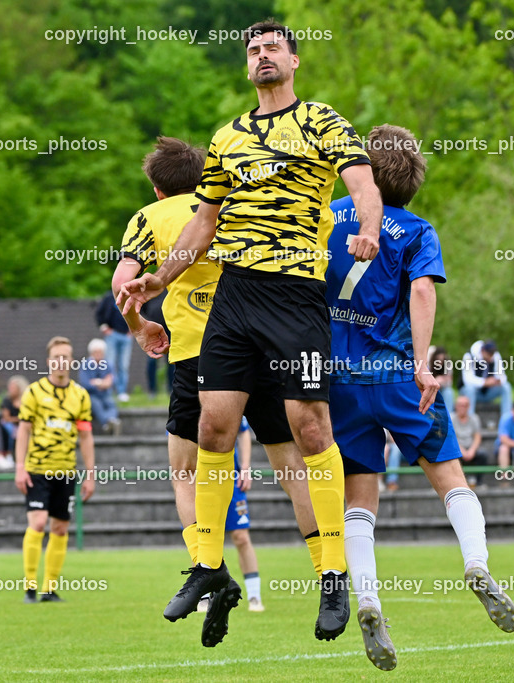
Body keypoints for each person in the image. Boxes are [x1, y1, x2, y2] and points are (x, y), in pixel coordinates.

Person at [122, 22, 383, 644]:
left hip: (294, 294)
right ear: (247, 67)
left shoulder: (322, 121)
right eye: (253, 50)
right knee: (212, 426)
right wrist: (158, 279)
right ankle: (208, 566)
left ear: (292, 60)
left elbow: (363, 185)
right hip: (235, 296)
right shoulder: (227, 137)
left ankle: (331, 575)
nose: (262, 57)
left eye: (272, 48)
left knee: (309, 426)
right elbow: (203, 221)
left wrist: (367, 228)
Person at [113, 135, 325, 648]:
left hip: (197, 355)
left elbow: (124, 283)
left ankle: (209, 568)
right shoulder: (233, 203)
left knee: (186, 470)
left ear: (158, 188)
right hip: (266, 344)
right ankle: (330, 576)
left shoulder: (150, 217)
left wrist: (141, 328)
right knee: (292, 464)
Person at [326, 124, 514, 671]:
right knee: (450, 479)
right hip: (395, 377)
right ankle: (476, 564)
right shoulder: (416, 230)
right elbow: (422, 289)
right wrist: (421, 361)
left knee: (358, 502)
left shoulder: (329, 216)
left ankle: (366, 599)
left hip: (339, 382)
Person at [14, 336, 96, 603]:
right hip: (37, 469)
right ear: (49, 361)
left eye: (66, 357)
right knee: (38, 522)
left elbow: (85, 436)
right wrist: (20, 467)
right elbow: (23, 430)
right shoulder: (34, 393)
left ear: (71, 361)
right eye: (57, 357)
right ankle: (29, 586)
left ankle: (49, 588)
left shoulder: (80, 395)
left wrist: (90, 473)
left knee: (60, 528)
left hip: (66, 472)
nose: (61, 362)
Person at [198, 418, 265, 614]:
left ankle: (254, 595)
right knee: (203, 536)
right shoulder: (183, 400)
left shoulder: (224, 395)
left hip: (230, 478)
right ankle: (202, 596)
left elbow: (243, 430)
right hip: (201, 481)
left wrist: (245, 467)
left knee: (241, 537)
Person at [461, 339, 513, 419]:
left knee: (506, 386)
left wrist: (498, 380)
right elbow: (467, 380)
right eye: (489, 354)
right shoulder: (469, 356)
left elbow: (502, 375)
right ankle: (470, 420)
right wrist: (485, 382)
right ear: (482, 350)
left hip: (488, 392)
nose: (491, 357)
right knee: (469, 389)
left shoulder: (495, 356)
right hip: (472, 393)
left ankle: (506, 419)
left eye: (492, 354)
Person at [95, 290, 132, 402]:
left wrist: (133, 328)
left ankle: (122, 392)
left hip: (126, 336)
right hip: (112, 335)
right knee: (109, 364)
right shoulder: (109, 298)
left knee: (124, 365)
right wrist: (104, 327)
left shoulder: (130, 296)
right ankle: (109, 391)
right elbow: (99, 313)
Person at [79, 338, 121, 434]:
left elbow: (113, 379)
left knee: (111, 404)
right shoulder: (85, 365)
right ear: (91, 353)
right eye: (96, 352)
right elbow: (85, 383)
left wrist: (97, 383)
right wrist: (102, 383)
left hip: (105, 394)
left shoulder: (108, 364)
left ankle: (110, 422)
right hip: (92, 395)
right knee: (97, 405)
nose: (99, 355)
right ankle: (108, 422)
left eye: (101, 352)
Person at [452, 395, 488, 487]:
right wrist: (462, 451)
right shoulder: (451, 419)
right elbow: (451, 438)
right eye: (460, 405)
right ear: (456, 406)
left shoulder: (474, 418)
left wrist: (472, 450)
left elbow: (477, 437)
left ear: (469, 407)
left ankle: (479, 482)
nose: (462, 408)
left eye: (465, 405)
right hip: (456, 448)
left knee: (483, 454)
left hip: (470, 447)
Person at [0, 375, 29, 455]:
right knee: (11, 429)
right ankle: (9, 452)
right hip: (11, 424)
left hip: (23, 423)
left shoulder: (26, 399)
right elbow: (6, 418)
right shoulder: (7, 400)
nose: (10, 389)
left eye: (13, 387)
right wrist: (20, 419)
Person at [429, 346, 455, 413]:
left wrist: (441, 381)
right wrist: (435, 380)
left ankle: (449, 414)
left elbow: (449, 382)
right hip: (430, 388)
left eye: (442, 359)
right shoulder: (428, 364)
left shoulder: (447, 364)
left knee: (449, 392)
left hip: (443, 388)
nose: (440, 362)